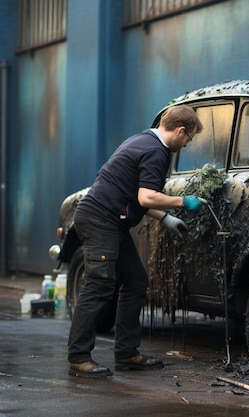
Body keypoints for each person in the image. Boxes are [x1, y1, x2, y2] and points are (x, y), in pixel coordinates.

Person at [67, 105, 204, 378]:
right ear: (180, 131)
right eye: (188, 139)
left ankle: (127, 353)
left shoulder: (142, 139)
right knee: (99, 284)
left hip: (110, 220)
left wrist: (164, 218)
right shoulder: (156, 151)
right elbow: (146, 197)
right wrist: (183, 202)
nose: (186, 144)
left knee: (135, 281)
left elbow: (133, 192)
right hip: (100, 219)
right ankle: (78, 357)